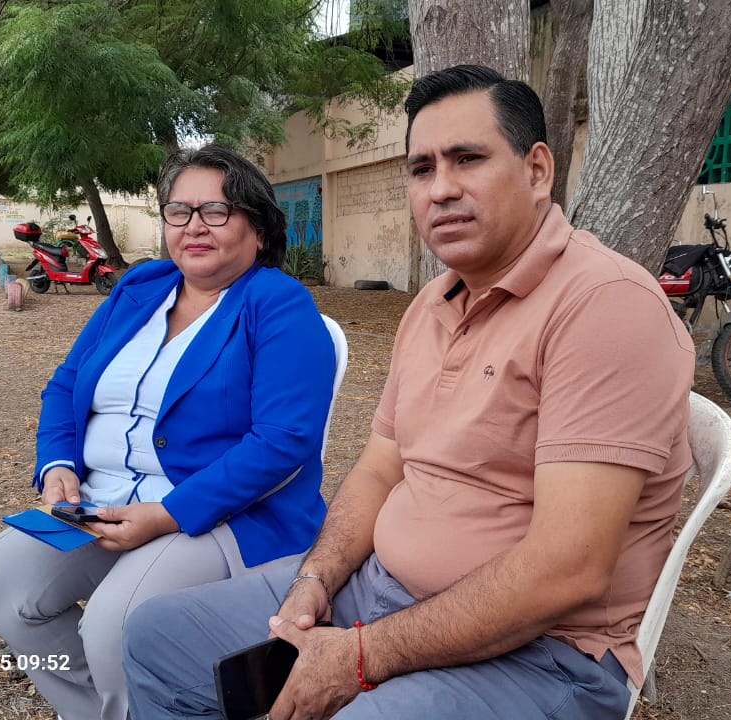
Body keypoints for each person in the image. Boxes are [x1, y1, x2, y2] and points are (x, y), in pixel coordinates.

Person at [122, 65, 696, 720]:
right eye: (422, 169)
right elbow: (378, 470)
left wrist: (362, 655)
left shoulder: (605, 306)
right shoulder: (432, 305)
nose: (441, 188)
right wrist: (316, 577)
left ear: (538, 171)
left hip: (540, 652)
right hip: (375, 592)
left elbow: (568, 569)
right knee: (158, 639)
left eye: (468, 159)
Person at [0, 145, 338, 720]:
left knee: (117, 626)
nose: (194, 226)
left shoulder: (278, 303)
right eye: (179, 211)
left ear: (259, 229)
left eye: (216, 211)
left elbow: (283, 440)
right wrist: (58, 464)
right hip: (101, 500)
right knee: (3, 581)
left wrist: (169, 513)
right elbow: (66, 385)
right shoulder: (140, 287)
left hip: (214, 513)